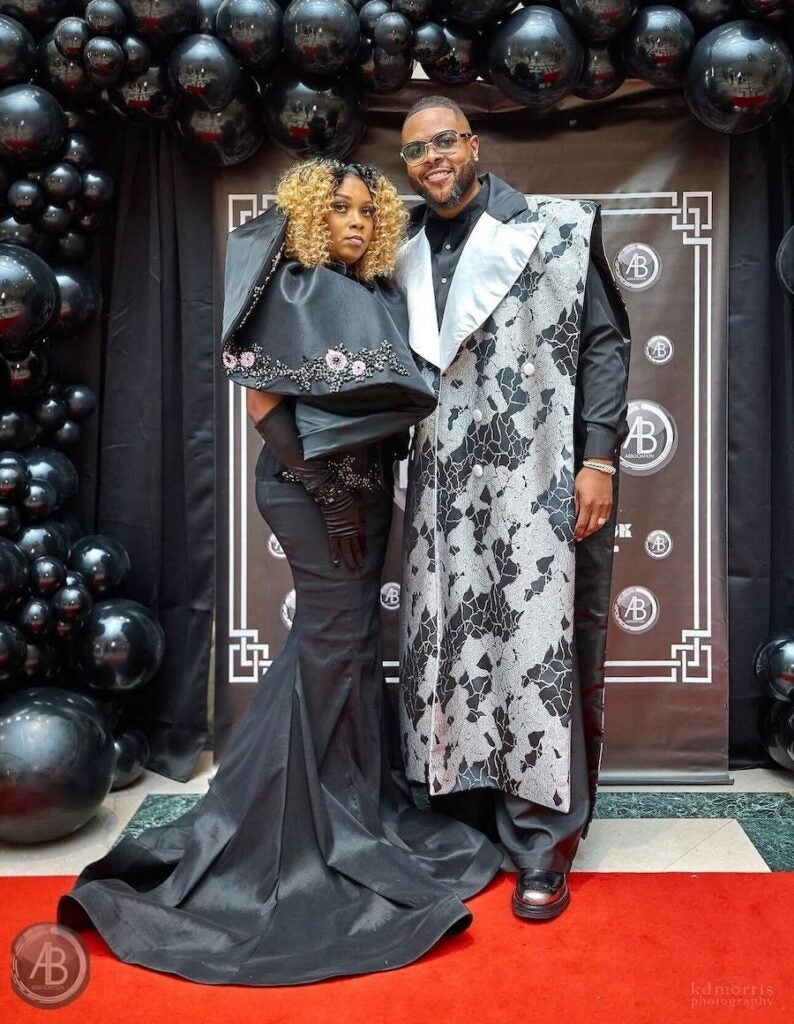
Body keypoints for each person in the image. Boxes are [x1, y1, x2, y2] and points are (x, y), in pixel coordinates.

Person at [57, 158, 502, 985]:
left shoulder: (365, 291)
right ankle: (291, 830)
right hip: (306, 491)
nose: (358, 222)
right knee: (335, 645)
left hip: (362, 493)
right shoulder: (287, 285)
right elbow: (263, 404)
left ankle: (341, 805)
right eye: (340, 208)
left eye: (369, 211)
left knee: (344, 647)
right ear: (306, 212)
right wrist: (325, 490)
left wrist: (361, 486)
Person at [395, 96, 632, 922]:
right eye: (417, 150)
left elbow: (603, 343)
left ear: (474, 144)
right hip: (439, 490)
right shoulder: (401, 248)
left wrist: (598, 456)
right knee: (447, 644)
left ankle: (540, 844)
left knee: (534, 650)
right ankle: (459, 823)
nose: (434, 159)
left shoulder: (556, 228)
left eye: (446, 141)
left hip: (537, 476)